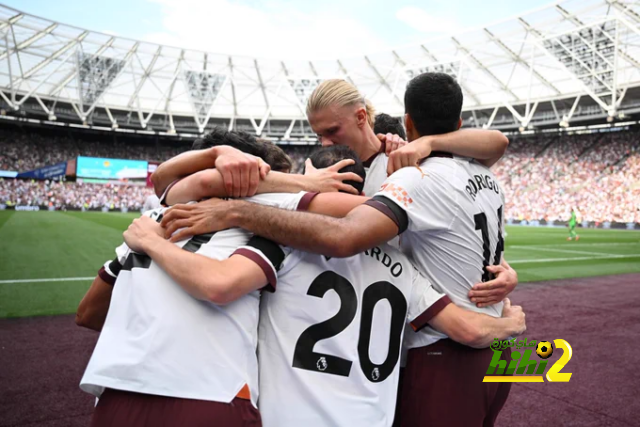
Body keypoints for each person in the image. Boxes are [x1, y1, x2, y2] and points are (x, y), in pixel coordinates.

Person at [160, 72, 516, 426]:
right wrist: (303, 181)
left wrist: (427, 143)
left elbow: (492, 150)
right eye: (317, 133)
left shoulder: (405, 164)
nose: (324, 141)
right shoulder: (317, 169)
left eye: (332, 131)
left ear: (362, 117)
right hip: (346, 349)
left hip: (408, 342)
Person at [76, 132, 349, 427]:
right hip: (213, 389)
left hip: (119, 387)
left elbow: (88, 312)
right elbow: (219, 285)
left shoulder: (150, 221)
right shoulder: (266, 220)